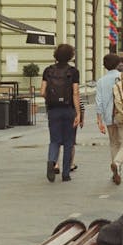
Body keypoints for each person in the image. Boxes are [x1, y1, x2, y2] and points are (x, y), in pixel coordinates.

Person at [95, 53, 123, 186]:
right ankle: (117, 163)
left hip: (109, 117)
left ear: (105, 66)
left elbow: (99, 102)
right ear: (117, 64)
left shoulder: (101, 81)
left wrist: (99, 120)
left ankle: (116, 171)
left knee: (114, 143)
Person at [41, 44, 81, 182]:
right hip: (69, 109)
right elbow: (75, 93)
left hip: (53, 110)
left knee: (54, 140)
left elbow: (42, 92)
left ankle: (52, 161)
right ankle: (65, 174)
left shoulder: (48, 71)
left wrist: (52, 99)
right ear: (71, 56)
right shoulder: (73, 71)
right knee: (69, 142)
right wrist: (78, 113)